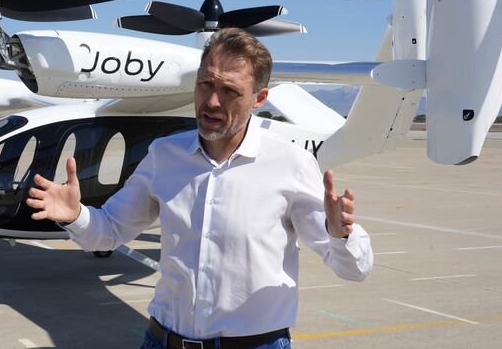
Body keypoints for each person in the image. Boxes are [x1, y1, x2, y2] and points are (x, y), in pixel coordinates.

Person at [26, 28, 373, 348]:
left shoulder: (291, 164)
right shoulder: (165, 155)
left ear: (259, 98)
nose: (211, 102)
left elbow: (354, 270)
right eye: (206, 84)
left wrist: (341, 236)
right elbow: (110, 231)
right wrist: (76, 216)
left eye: (230, 91)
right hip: (163, 340)